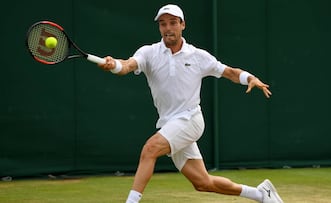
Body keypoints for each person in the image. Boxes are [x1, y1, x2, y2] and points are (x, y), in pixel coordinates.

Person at [98, 4, 283, 203]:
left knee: (150, 149)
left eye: (172, 23)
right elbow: (127, 65)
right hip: (169, 124)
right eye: (163, 24)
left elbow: (229, 72)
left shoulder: (198, 56)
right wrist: (114, 65)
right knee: (203, 183)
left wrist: (250, 78)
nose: (168, 28)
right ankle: (261, 194)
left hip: (190, 119)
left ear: (182, 25)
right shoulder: (148, 53)